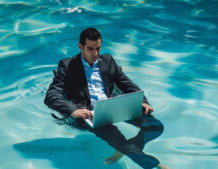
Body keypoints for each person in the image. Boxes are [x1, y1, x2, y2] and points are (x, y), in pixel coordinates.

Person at [44, 28, 170, 169]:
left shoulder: (108, 61)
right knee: (117, 138)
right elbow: (51, 95)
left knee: (156, 127)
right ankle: (157, 166)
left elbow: (127, 84)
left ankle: (126, 148)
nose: (95, 53)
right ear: (80, 46)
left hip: (113, 105)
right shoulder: (67, 66)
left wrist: (143, 101)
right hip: (91, 114)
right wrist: (74, 111)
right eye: (90, 49)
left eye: (98, 48)